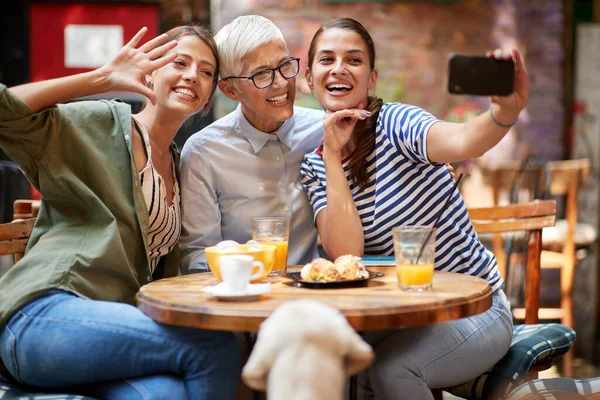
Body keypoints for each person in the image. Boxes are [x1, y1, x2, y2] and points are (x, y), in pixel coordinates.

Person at [0, 25, 239, 400]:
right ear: (149, 73)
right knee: (215, 345)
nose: (193, 75)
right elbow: (4, 113)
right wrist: (101, 79)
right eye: (180, 62)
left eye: (207, 72)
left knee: (166, 394)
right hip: (44, 315)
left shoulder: (180, 167)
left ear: (209, 95)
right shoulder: (103, 124)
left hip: (106, 337)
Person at [300, 18, 527, 399]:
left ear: (371, 79)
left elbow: (461, 141)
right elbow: (347, 252)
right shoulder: (316, 163)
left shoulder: (397, 124)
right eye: (327, 59)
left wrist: (503, 114)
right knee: (324, 357)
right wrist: (334, 157)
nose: (339, 68)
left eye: (353, 60)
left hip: (471, 311)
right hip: (395, 316)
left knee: (393, 370)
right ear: (309, 77)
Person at [179, 15, 323, 274]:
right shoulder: (203, 152)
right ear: (230, 90)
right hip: (244, 291)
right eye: (261, 74)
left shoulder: (322, 131)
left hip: (313, 288)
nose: (281, 83)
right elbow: (196, 254)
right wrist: (239, 262)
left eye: (284, 66)